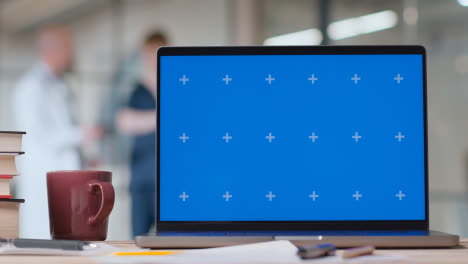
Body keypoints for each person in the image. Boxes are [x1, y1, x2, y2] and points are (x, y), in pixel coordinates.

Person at [13, 25, 102, 238]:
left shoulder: (61, 86)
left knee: (68, 239)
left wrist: (84, 157)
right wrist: (82, 133)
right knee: (44, 239)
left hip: (67, 178)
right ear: (54, 51)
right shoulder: (29, 88)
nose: (72, 55)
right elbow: (42, 135)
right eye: (69, 49)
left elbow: (64, 130)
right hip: (43, 180)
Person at [116, 31, 167, 236]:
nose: (152, 58)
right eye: (148, 53)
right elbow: (124, 122)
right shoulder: (136, 91)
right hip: (141, 179)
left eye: (157, 52)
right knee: (139, 239)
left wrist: (145, 120)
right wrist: (162, 117)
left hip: (168, 181)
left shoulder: (177, 86)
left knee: (173, 242)